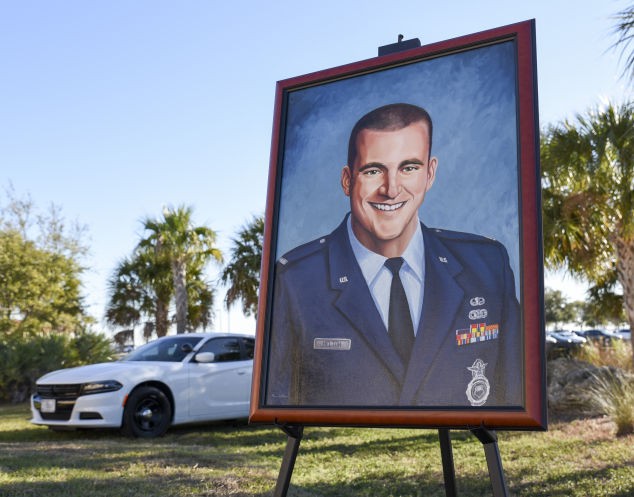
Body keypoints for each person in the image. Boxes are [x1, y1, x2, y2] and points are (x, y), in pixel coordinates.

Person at [266, 103, 521, 408]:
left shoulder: (486, 267)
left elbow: (513, 392)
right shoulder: (296, 279)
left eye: (409, 167)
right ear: (348, 180)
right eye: (373, 171)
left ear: (430, 173)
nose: (391, 189)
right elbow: (280, 404)